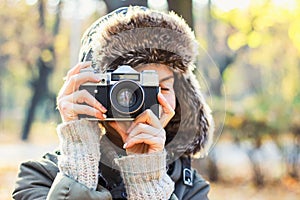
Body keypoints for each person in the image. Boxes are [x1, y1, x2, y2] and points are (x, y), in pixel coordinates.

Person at [13, 6, 214, 200]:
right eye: (123, 86)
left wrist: (149, 182)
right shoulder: (40, 178)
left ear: (180, 98)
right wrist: (79, 165)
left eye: (159, 87)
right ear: (92, 88)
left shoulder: (189, 187)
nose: (133, 98)